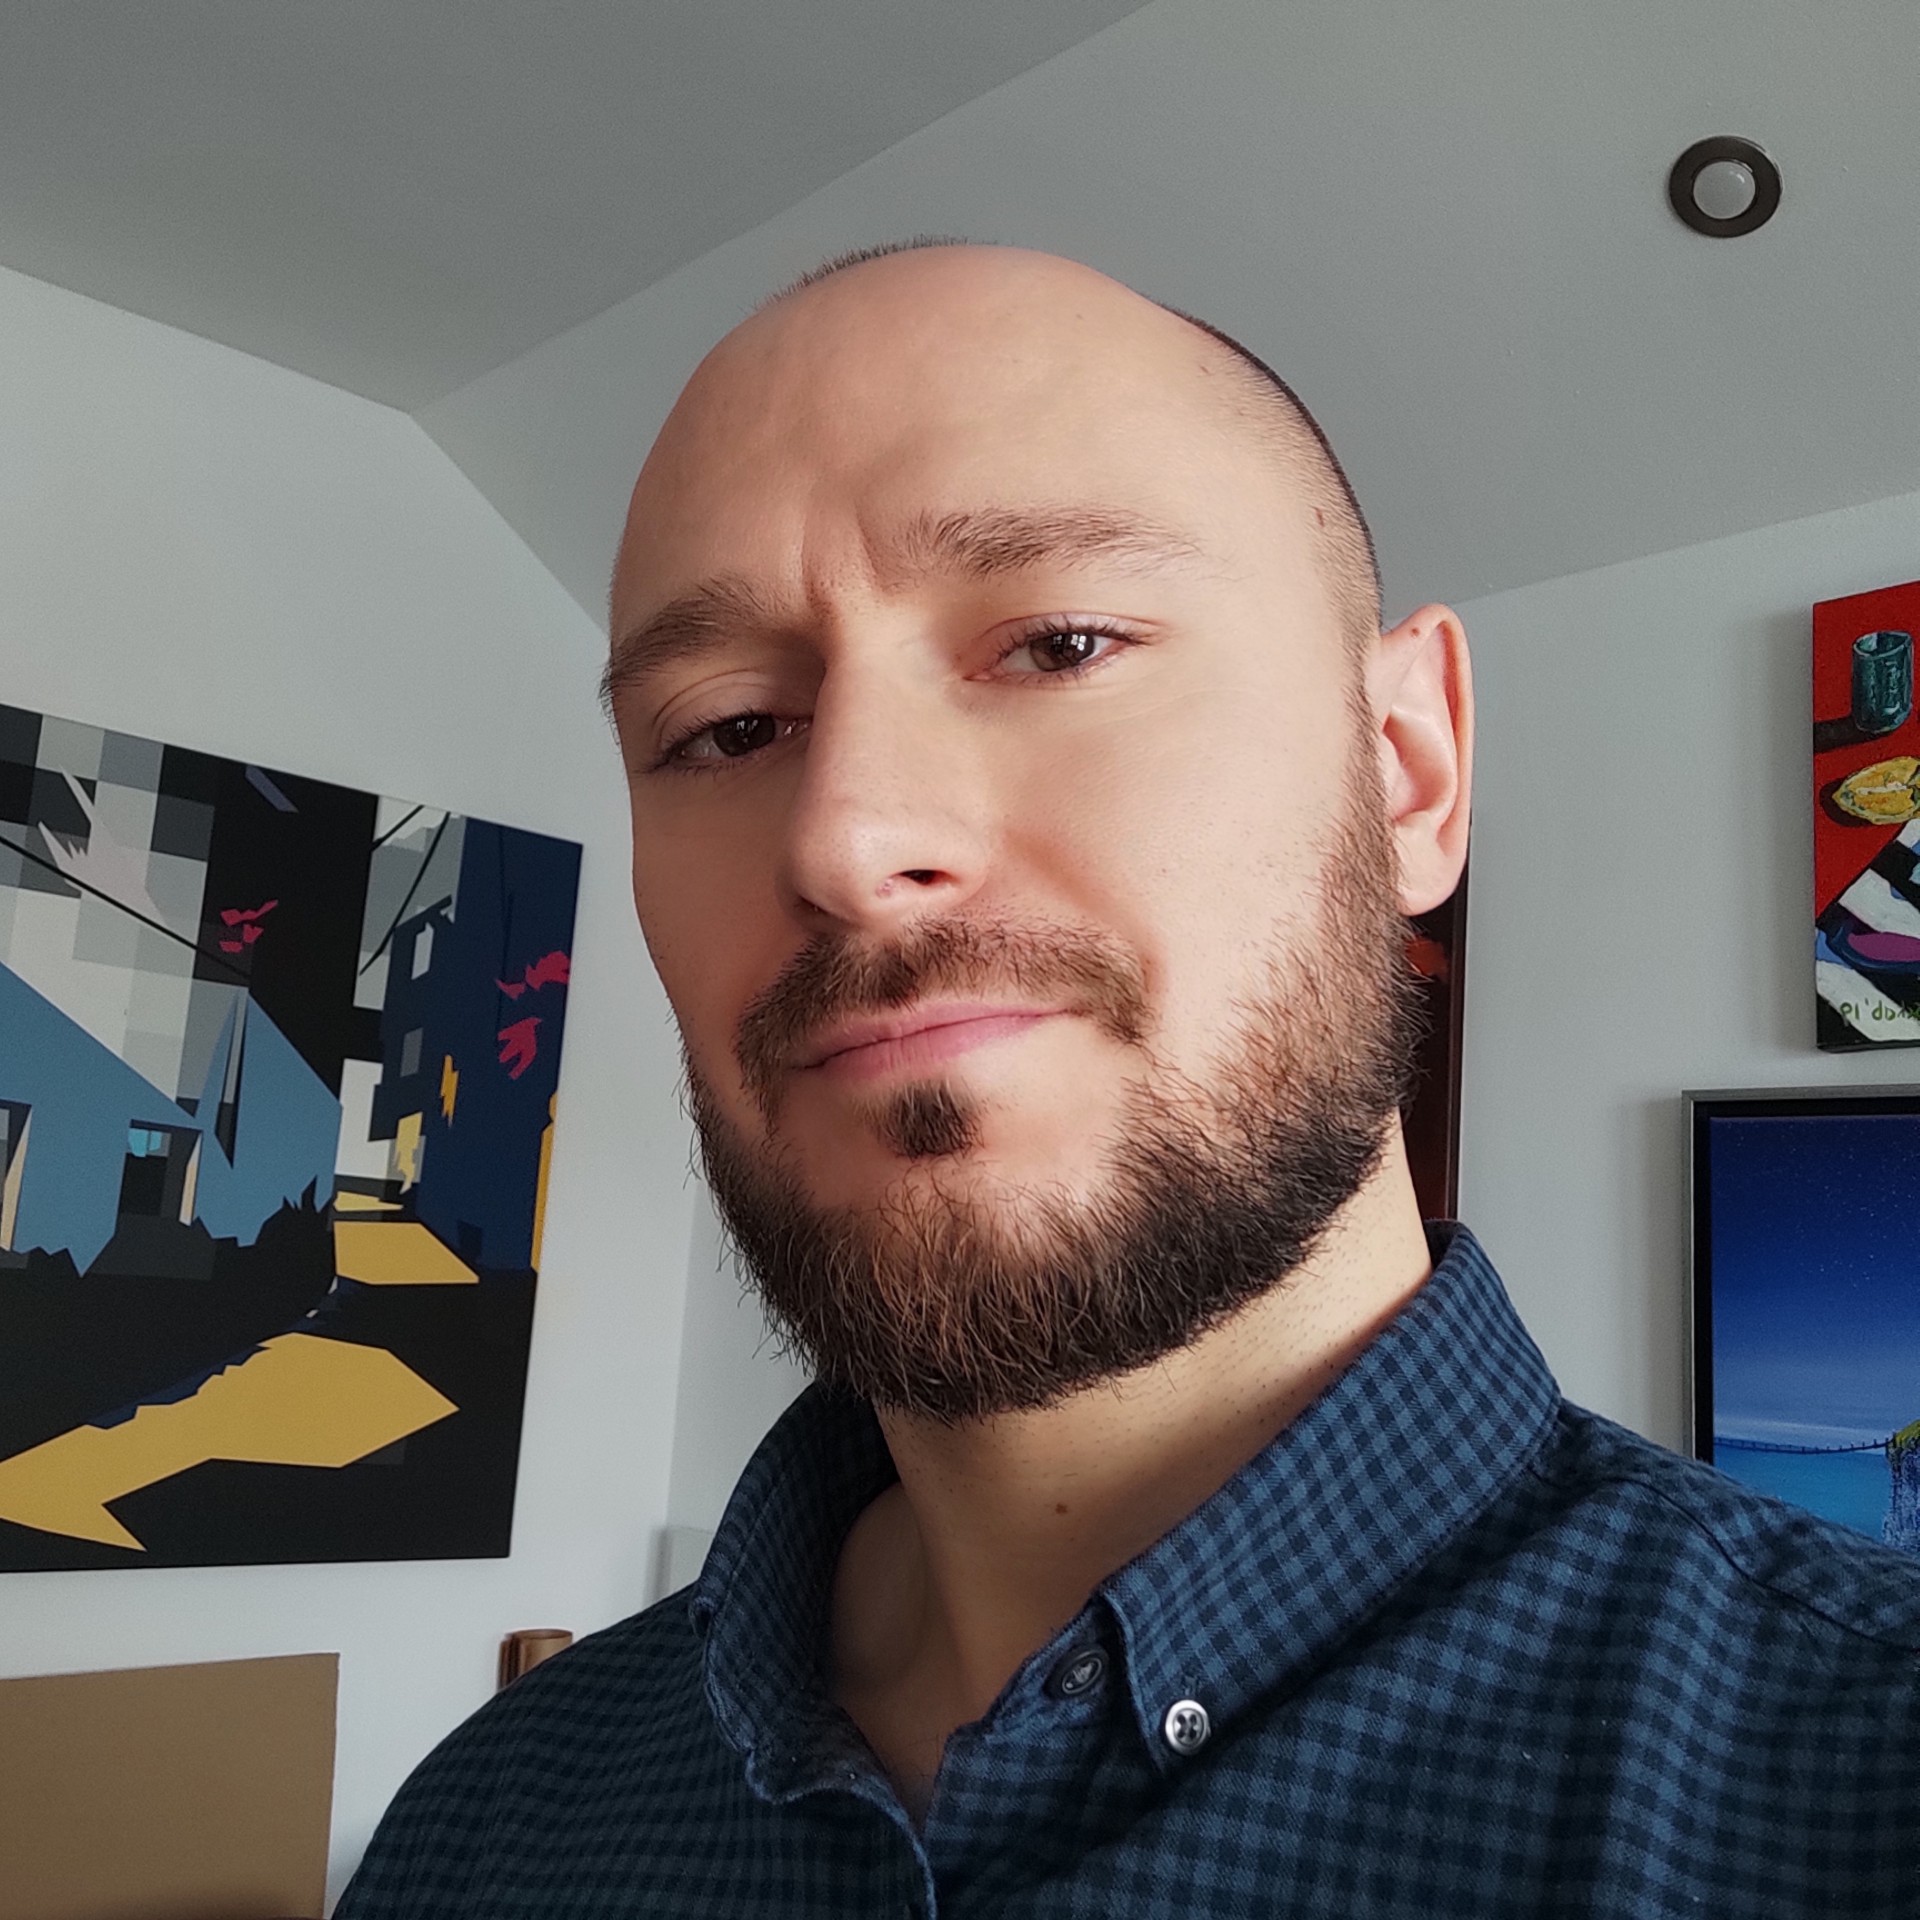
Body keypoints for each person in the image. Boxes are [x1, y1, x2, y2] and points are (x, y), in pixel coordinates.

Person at [338, 243, 1920, 1918]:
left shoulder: (1857, 1801)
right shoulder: (484, 1829)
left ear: (1408, 770)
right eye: (727, 729)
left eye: (1059, 644)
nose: (845, 840)